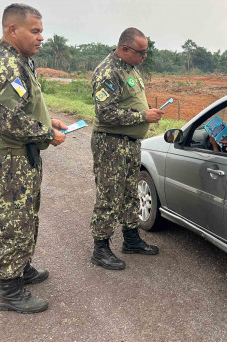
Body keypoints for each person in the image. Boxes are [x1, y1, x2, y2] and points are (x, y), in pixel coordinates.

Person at [0, 3, 67, 313]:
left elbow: (23, 108)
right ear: (12, 30)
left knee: (27, 218)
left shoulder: (20, 60)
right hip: (10, 161)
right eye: (35, 31)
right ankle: (9, 290)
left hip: (20, 157)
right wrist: (47, 135)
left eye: (41, 30)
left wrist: (48, 122)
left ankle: (22, 268)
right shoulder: (8, 64)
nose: (41, 37)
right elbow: (8, 120)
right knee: (15, 223)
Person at [90, 28, 164, 270]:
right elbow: (105, 112)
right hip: (111, 143)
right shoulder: (109, 72)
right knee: (109, 194)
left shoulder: (130, 69)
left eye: (145, 52)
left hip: (129, 144)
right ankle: (100, 248)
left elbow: (128, 101)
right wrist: (143, 115)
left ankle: (131, 239)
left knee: (130, 192)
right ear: (125, 49)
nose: (144, 57)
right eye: (140, 52)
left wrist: (146, 115)